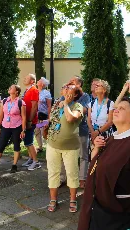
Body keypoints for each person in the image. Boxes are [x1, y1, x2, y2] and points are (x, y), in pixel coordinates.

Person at [78, 97, 130, 230]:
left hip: (122, 216)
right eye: (116, 108)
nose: (116, 110)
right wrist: (97, 149)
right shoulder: (112, 138)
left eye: (122, 108)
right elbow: (96, 166)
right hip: (101, 211)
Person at [46, 83, 83, 213]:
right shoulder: (57, 104)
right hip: (52, 144)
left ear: (76, 94)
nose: (66, 90)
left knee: (72, 173)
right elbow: (52, 121)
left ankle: (73, 199)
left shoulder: (78, 106)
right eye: (65, 88)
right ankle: (53, 199)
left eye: (70, 89)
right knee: (53, 172)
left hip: (70, 147)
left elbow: (70, 118)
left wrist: (66, 104)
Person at [0, 85, 26, 174]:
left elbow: (24, 117)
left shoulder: (21, 102)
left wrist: (23, 130)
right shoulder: (5, 101)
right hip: (5, 126)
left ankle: (14, 165)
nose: (9, 88)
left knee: (16, 145)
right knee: (0, 145)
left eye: (12, 87)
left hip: (17, 126)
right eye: (9, 87)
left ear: (16, 91)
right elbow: (1, 114)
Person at [21, 74, 41, 171]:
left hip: (30, 120)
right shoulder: (27, 90)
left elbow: (34, 106)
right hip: (26, 119)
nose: (24, 79)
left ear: (32, 81)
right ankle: (31, 158)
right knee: (26, 141)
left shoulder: (34, 90)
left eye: (26, 78)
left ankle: (36, 162)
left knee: (29, 141)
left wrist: (29, 120)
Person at [35, 77, 52, 153]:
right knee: (37, 130)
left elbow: (49, 105)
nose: (37, 81)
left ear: (42, 84)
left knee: (44, 131)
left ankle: (50, 147)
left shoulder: (46, 93)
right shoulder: (35, 91)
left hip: (43, 115)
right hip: (36, 115)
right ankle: (40, 147)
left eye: (39, 80)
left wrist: (49, 116)